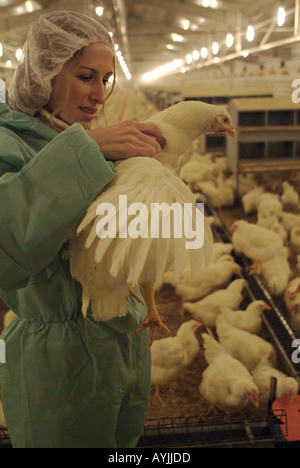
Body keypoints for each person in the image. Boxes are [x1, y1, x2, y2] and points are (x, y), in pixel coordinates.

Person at [0, 10, 166, 448]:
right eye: (86, 77)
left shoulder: (76, 134)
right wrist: (88, 148)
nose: (99, 95)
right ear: (44, 74)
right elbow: (7, 245)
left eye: (106, 79)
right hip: (59, 363)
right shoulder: (9, 141)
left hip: (121, 340)